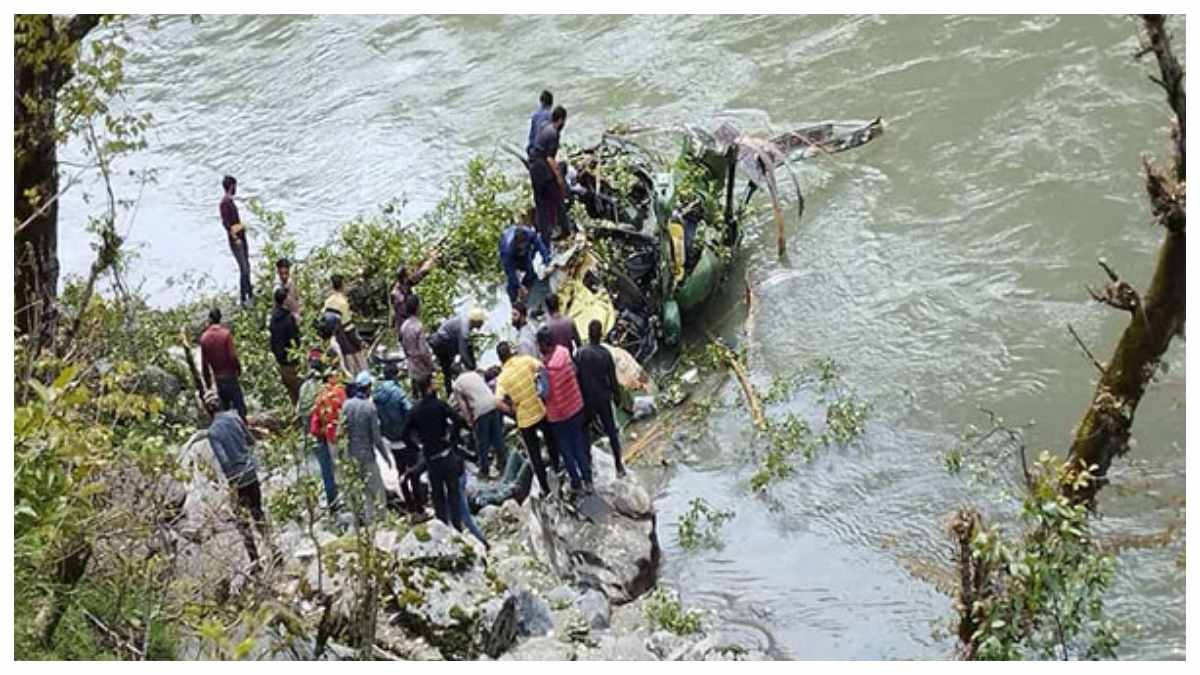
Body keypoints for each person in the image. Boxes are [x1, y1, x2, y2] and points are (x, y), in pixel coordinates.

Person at [204, 390, 273, 573]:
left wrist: (231, 484)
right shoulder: (235, 417)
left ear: (207, 411)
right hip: (251, 472)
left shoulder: (212, 432)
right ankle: (274, 551)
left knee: (242, 521)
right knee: (258, 512)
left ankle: (255, 562)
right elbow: (251, 441)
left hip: (237, 479)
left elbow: (224, 461)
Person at [401, 375, 468, 531]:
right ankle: (457, 526)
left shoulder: (415, 410)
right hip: (445, 452)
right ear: (429, 387)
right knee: (453, 493)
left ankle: (442, 527)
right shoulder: (440, 405)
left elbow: (404, 434)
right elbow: (458, 420)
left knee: (437, 496)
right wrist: (453, 438)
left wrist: (417, 447)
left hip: (430, 458)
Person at [494, 341, 560, 496]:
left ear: (500, 359)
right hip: (539, 409)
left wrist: (511, 410)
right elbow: (541, 367)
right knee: (551, 441)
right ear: (511, 352)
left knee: (534, 454)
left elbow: (497, 401)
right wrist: (541, 389)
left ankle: (545, 487)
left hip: (524, 419)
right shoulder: (525, 360)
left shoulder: (502, 378)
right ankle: (557, 468)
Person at [537, 327, 592, 494]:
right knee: (579, 444)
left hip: (558, 415)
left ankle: (576, 482)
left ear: (544, 345)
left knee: (566, 449)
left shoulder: (545, 368)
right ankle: (588, 479)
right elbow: (574, 371)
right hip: (575, 406)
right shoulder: (564, 353)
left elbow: (544, 393)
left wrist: (537, 385)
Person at [339, 371, 394, 525]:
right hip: (367, 455)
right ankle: (382, 521)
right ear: (368, 387)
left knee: (360, 491)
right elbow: (376, 437)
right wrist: (386, 457)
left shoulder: (346, 405)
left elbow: (340, 432)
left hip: (351, 456)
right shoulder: (370, 408)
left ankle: (365, 521)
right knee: (377, 491)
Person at [576, 319, 626, 478]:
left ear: (589, 334)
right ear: (601, 335)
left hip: (587, 399)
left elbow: (577, 377)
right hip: (603, 398)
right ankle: (618, 465)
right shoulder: (605, 354)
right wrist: (617, 397)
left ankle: (588, 466)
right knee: (611, 431)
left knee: (585, 431)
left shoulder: (581, 353)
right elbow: (612, 379)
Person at [374, 362, 423, 513]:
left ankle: (409, 506)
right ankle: (419, 508)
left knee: (401, 472)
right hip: (405, 439)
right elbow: (410, 411)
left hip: (391, 440)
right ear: (395, 375)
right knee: (413, 473)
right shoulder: (397, 393)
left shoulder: (377, 394)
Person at [451, 363, 505, 479]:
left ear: (453, 376)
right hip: (493, 403)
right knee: (497, 438)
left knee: (482, 443)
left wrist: (469, 421)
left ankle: (484, 471)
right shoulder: (474, 374)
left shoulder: (457, 385)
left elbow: (463, 406)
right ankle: (503, 465)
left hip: (480, 411)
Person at [528, 105, 568, 245]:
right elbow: (550, 159)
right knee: (558, 199)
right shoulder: (554, 133)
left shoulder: (545, 127)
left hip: (534, 170)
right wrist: (560, 179)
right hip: (543, 171)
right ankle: (565, 231)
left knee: (541, 204)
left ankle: (544, 237)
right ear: (561, 120)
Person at [308, 363, 345, 510]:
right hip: (335, 436)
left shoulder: (318, 395)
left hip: (322, 436)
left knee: (330, 471)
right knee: (341, 469)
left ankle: (334, 502)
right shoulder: (337, 393)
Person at [200, 307, 247, 421]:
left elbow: (204, 365)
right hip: (230, 376)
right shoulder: (226, 334)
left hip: (218, 379)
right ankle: (243, 429)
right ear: (220, 318)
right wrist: (238, 369)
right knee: (240, 409)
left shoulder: (204, 338)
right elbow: (233, 356)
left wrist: (208, 384)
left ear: (209, 319)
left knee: (225, 412)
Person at [430, 307, 486, 397]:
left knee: (468, 348)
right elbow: (463, 352)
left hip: (446, 341)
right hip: (441, 344)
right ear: (476, 322)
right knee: (448, 369)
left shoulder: (466, 321)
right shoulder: (464, 330)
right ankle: (452, 391)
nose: (482, 324)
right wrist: (471, 369)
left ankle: (452, 388)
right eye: (481, 322)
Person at [499, 212, 551, 304]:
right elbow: (510, 272)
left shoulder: (529, 233)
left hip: (525, 255)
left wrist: (547, 263)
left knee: (530, 272)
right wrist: (519, 286)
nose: (522, 247)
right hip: (512, 256)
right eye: (520, 246)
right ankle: (515, 302)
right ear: (516, 243)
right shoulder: (507, 250)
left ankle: (532, 291)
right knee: (512, 284)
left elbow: (541, 246)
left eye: (524, 245)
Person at [322, 274, 367, 375]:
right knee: (356, 368)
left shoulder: (327, 302)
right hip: (345, 340)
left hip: (333, 339)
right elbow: (348, 326)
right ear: (342, 285)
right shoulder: (343, 302)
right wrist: (359, 341)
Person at [219, 175, 253, 306]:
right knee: (244, 269)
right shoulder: (225, 203)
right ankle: (244, 298)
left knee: (247, 267)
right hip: (236, 240)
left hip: (240, 237)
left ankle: (249, 294)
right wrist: (235, 237)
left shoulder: (229, 201)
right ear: (232, 186)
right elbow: (226, 224)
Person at [391, 254, 438, 343]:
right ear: (405, 277)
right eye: (409, 274)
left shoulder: (404, 284)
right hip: (405, 330)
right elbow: (405, 314)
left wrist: (430, 258)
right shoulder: (398, 295)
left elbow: (420, 272)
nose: (411, 275)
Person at [269, 287, 302, 405]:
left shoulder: (273, 319)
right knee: (300, 393)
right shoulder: (288, 318)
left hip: (281, 362)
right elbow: (295, 339)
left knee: (292, 395)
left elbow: (272, 342)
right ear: (285, 300)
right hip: (292, 361)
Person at [400, 294, 436, 388]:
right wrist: (430, 365)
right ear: (417, 308)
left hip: (411, 366)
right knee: (428, 392)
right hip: (422, 367)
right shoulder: (418, 326)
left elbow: (404, 346)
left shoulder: (404, 326)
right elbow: (423, 350)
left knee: (416, 392)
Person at [526, 90, 553, 158]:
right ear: (551, 103)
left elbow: (531, 136)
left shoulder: (535, 115)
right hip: (541, 152)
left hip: (532, 150)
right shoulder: (550, 116)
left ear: (541, 101)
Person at [276, 258, 301, 322]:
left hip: (292, 320)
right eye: (281, 273)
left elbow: (297, 302)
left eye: (286, 273)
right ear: (278, 272)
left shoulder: (292, 285)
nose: (284, 276)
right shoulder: (276, 287)